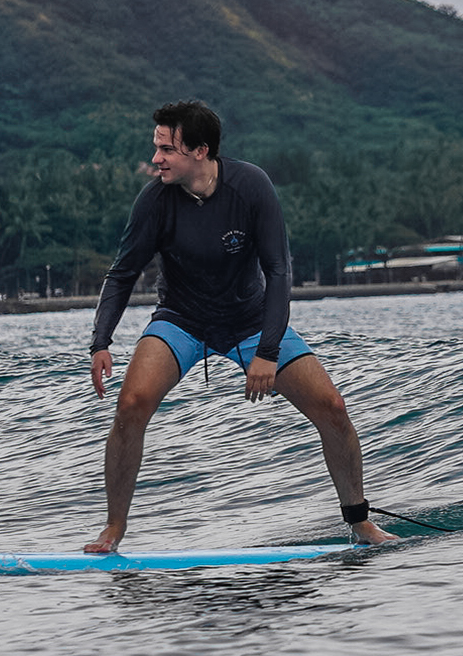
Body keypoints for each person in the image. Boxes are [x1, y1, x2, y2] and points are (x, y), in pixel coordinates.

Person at [83, 100, 398, 553]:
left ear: (200, 150)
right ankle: (114, 528)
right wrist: (101, 341)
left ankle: (360, 521)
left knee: (331, 406)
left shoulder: (250, 186)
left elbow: (279, 271)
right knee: (131, 403)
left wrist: (267, 351)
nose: (156, 159)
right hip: (182, 321)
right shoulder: (155, 201)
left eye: (166, 149)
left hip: (250, 321)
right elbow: (122, 273)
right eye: (156, 148)